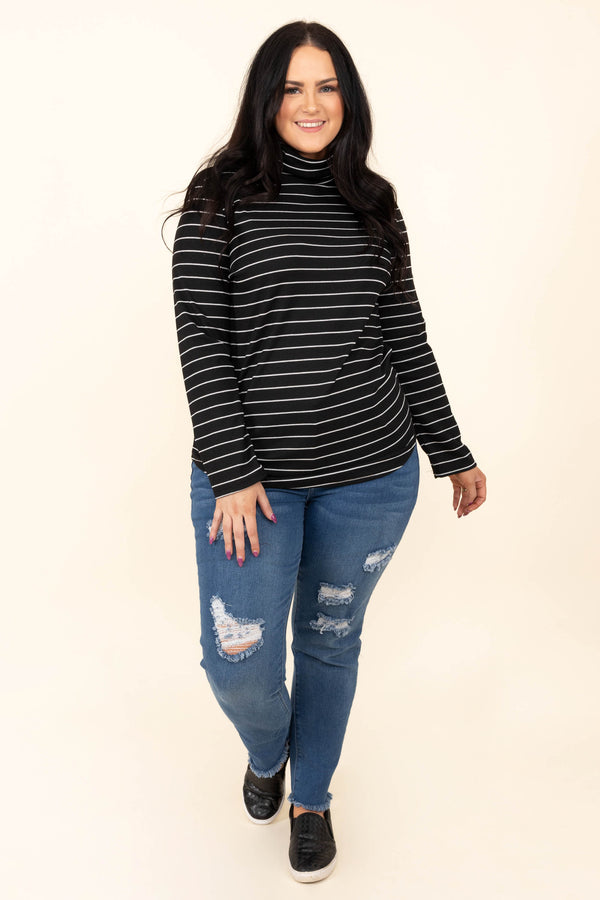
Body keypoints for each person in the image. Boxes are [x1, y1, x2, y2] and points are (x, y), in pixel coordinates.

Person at [167, 20, 486, 884]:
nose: (312, 105)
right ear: (266, 99)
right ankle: (267, 753)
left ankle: (311, 799)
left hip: (371, 477)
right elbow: (202, 338)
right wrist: (233, 470)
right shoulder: (218, 197)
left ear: (349, 98)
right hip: (252, 488)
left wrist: (451, 452)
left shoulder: (373, 202)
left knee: (330, 641)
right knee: (239, 663)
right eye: (293, 88)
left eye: (328, 86)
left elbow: (405, 335)